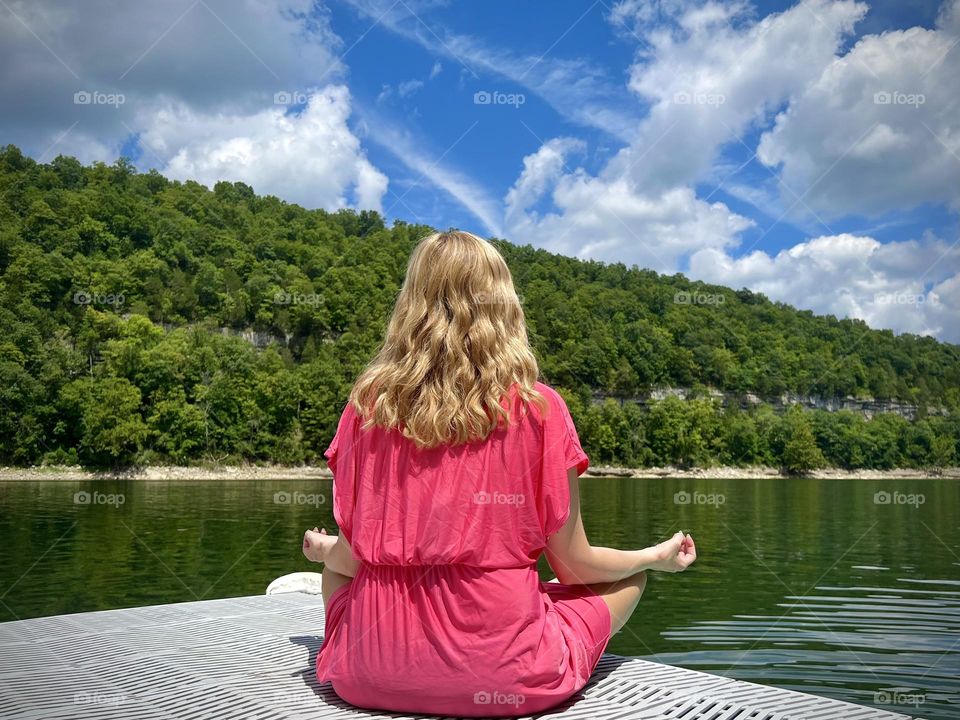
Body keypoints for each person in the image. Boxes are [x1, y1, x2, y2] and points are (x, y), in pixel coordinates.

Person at [302, 230, 696, 717]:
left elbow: (356, 560)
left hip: (367, 675)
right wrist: (651, 556)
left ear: (409, 303)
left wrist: (330, 552)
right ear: (503, 304)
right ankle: (646, 565)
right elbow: (575, 568)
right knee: (626, 580)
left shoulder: (365, 408)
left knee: (336, 568)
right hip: (506, 676)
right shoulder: (539, 408)